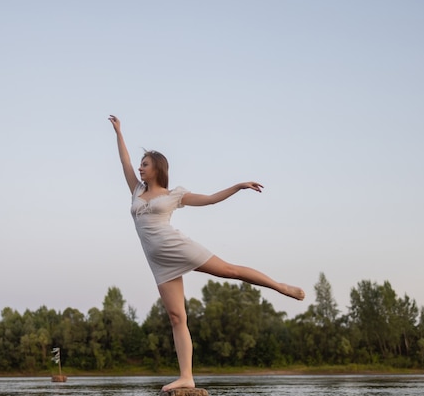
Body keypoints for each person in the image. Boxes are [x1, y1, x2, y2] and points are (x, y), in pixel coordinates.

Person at [108, 115, 305, 392]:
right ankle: (186, 376)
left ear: (157, 168)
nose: (140, 169)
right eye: (140, 165)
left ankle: (279, 286)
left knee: (230, 271)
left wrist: (238, 186)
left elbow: (210, 199)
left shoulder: (173, 195)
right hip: (158, 262)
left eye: (145, 165)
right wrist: (119, 132)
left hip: (177, 247)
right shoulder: (136, 191)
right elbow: (124, 162)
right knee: (177, 318)